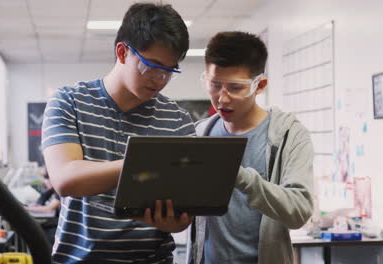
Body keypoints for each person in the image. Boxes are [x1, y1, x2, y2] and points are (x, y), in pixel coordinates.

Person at [41, 3, 194, 263]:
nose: (160, 80)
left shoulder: (177, 120)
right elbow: (66, 179)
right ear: (122, 52)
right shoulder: (69, 101)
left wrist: (173, 221)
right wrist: (145, 164)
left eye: (170, 71)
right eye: (152, 66)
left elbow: (183, 218)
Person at [187, 31, 315, 264]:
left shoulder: (289, 135)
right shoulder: (199, 134)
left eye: (235, 88)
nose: (222, 99)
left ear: (260, 85)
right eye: (215, 85)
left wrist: (242, 178)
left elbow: (299, 211)